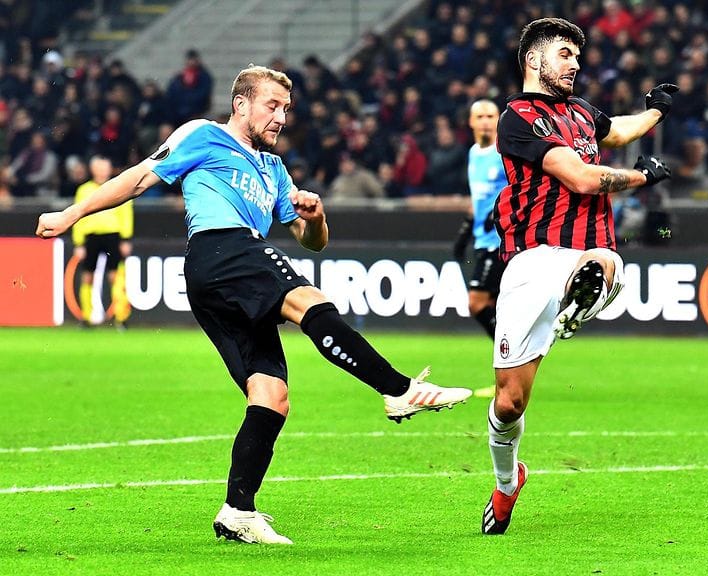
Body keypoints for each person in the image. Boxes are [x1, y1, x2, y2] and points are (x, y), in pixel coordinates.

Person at [36, 65, 472, 545]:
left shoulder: (274, 169)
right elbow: (139, 178)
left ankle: (237, 511)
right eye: (272, 105)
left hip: (227, 278)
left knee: (271, 396)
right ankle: (397, 388)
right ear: (240, 103)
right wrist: (72, 213)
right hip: (222, 251)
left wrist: (316, 216)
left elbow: (312, 243)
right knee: (310, 300)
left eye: (286, 108)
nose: (281, 116)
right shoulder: (204, 135)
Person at [481, 18, 672, 536]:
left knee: (606, 264)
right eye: (565, 53)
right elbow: (585, 178)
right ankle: (506, 481)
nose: (576, 63)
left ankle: (578, 302)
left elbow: (621, 129)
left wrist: (655, 108)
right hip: (529, 261)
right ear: (534, 60)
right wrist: (641, 176)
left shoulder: (584, 112)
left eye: (577, 55)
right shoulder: (517, 118)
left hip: (585, 249)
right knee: (508, 402)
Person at [452, 99, 508, 339]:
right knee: (496, 305)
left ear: (498, 120)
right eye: (480, 117)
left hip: (501, 240)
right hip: (482, 239)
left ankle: (509, 351)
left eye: (491, 117)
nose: (486, 122)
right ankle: (511, 359)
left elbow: (521, 188)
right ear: (471, 122)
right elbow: (479, 198)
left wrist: (499, 213)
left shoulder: (504, 153)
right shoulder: (474, 153)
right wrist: (465, 231)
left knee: (476, 303)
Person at [71, 155, 133, 328]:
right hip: (91, 236)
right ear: (93, 170)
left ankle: (121, 316)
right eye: (99, 168)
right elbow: (77, 216)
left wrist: (126, 238)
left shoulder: (118, 186)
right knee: (87, 276)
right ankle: (87, 317)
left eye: (105, 167)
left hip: (113, 235)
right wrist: (79, 243)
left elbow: (125, 214)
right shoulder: (84, 190)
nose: (103, 171)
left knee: (115, 276)